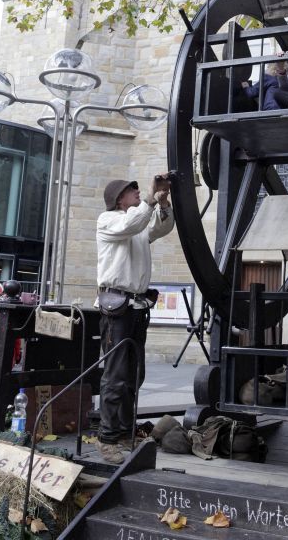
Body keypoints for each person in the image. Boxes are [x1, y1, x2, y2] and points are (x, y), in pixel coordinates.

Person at [96, 175, 175, 464]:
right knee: (116, 375)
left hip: (135, 307)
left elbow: (161, 227)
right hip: (117, 308)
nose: (139, 192)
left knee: (133, 375)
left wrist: (163, 204)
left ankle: (124, 432)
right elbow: (134, 223)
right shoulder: (108, 220)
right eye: (133, 191)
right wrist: (151, 201)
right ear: (119, 198)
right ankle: (107, 439)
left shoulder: (136, 223)